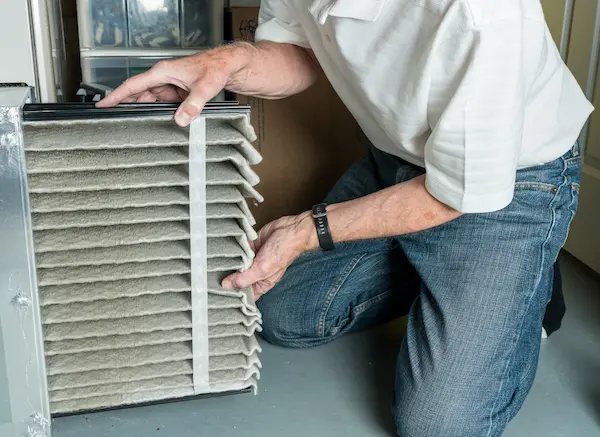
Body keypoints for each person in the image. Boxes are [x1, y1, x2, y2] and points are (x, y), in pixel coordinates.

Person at [98, 1, 593, 435]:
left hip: (504, 182)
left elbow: (454, 193)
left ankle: (529, 277)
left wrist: (305, 230)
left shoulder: (482, 12)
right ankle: (445, 274)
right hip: (396, 162)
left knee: (441, 426)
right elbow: (301, 53)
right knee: (281, 314)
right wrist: (227, 64)